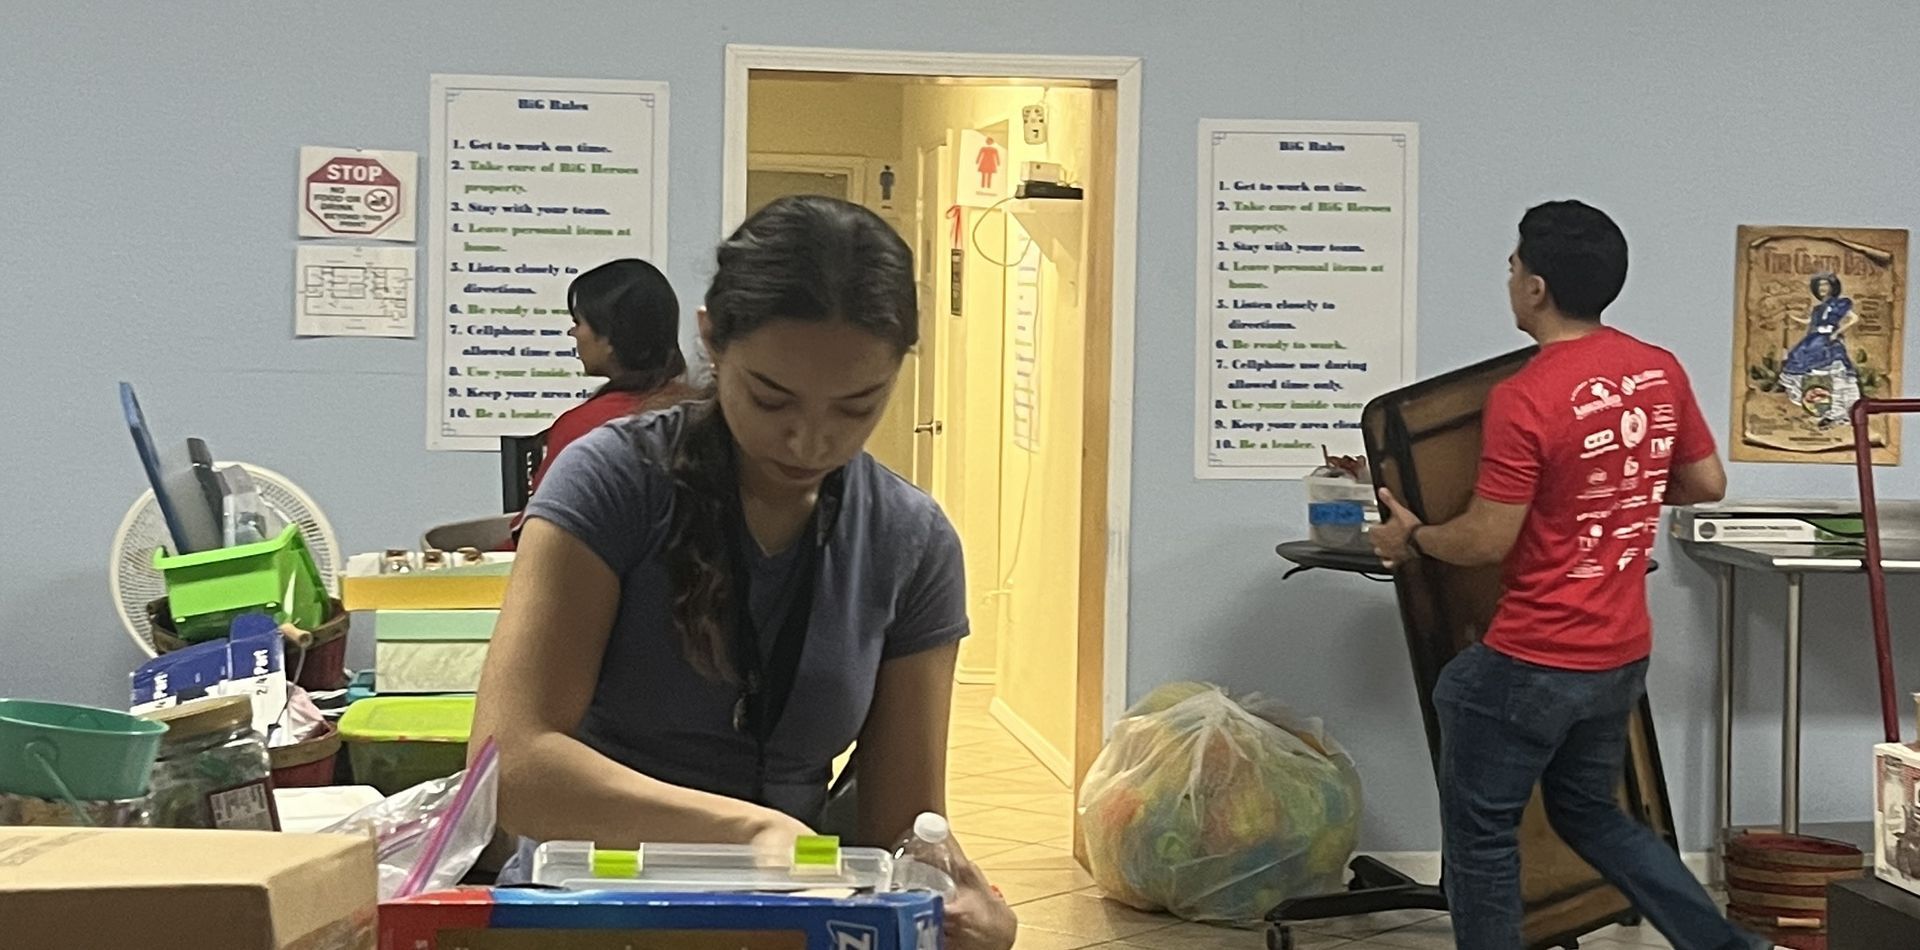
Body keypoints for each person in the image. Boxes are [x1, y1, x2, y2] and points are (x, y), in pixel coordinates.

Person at [471, 195, 1017, 950]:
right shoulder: (612, 480)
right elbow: (514, 768)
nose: (810, 438)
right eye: (771, 397)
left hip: (793, 917)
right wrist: (752, 832)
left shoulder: (909, 539)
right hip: (592, 908)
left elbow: (902, 828)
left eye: (858, 405)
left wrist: (961, 906)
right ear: (712, 342)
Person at [1369, 201, 1765, 950]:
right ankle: (1730, 948)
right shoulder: (1658, 367)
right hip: (1617, 652)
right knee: (1590, 813)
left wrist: (1414, 536)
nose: (1510, 274)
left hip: (1537, 656)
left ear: (1537, 287)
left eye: (1515, 264)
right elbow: (1705, 480)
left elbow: (1487, 539)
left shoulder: (1526, 395)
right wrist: (1615, 485)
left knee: (1483, 829)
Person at [529, 257, 696, 498]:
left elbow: (538, 529)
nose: (573, 332)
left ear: (609, 337)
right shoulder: (698, 413)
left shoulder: (584, 429)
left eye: (578, 322)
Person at [1776, 272, 1860, 427]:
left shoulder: (1839, 304)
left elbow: (1854, 318)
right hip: (1814, 340)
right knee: (1798, 362)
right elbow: (1810, 322)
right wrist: (1792, 317)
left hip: (1828, 340)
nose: (1822, 288)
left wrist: (1837, 332)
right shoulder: (1817, 309)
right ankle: (1825, 410)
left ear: (1832, 287)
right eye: (1820, 285)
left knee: (1836, 375)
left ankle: (1840, 413)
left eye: (1826, 285)